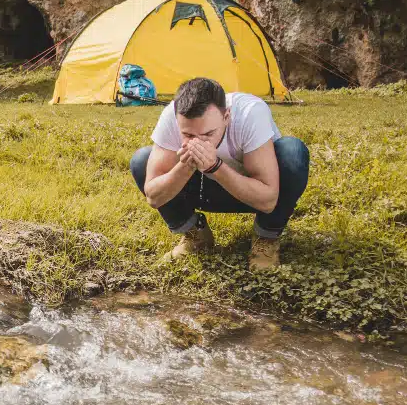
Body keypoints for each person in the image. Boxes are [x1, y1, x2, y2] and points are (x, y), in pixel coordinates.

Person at [129, 77, 310, 270]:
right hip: (204, 192)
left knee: (292, 152)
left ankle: (266, 238)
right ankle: (196, 236)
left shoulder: (250, 113)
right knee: (142, 160)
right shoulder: (171, 117)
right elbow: (154, 197)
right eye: (189, 135)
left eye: (208, 134)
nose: (199, 143)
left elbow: (268, 201)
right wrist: (186, 166)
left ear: (226, 117)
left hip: (251, 193)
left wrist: (215, 166)